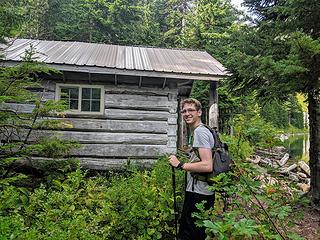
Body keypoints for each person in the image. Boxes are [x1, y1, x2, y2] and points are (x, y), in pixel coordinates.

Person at [169, 98, 215, 240]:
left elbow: (207, 165)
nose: (186, 113)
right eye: (184, 111)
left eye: (191, 110)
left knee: (190, 233)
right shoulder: (202, 130)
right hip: (203, 190)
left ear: (199, 112)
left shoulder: (200, 132)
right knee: (198, 231)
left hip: (199, 192)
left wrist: (180, 165)